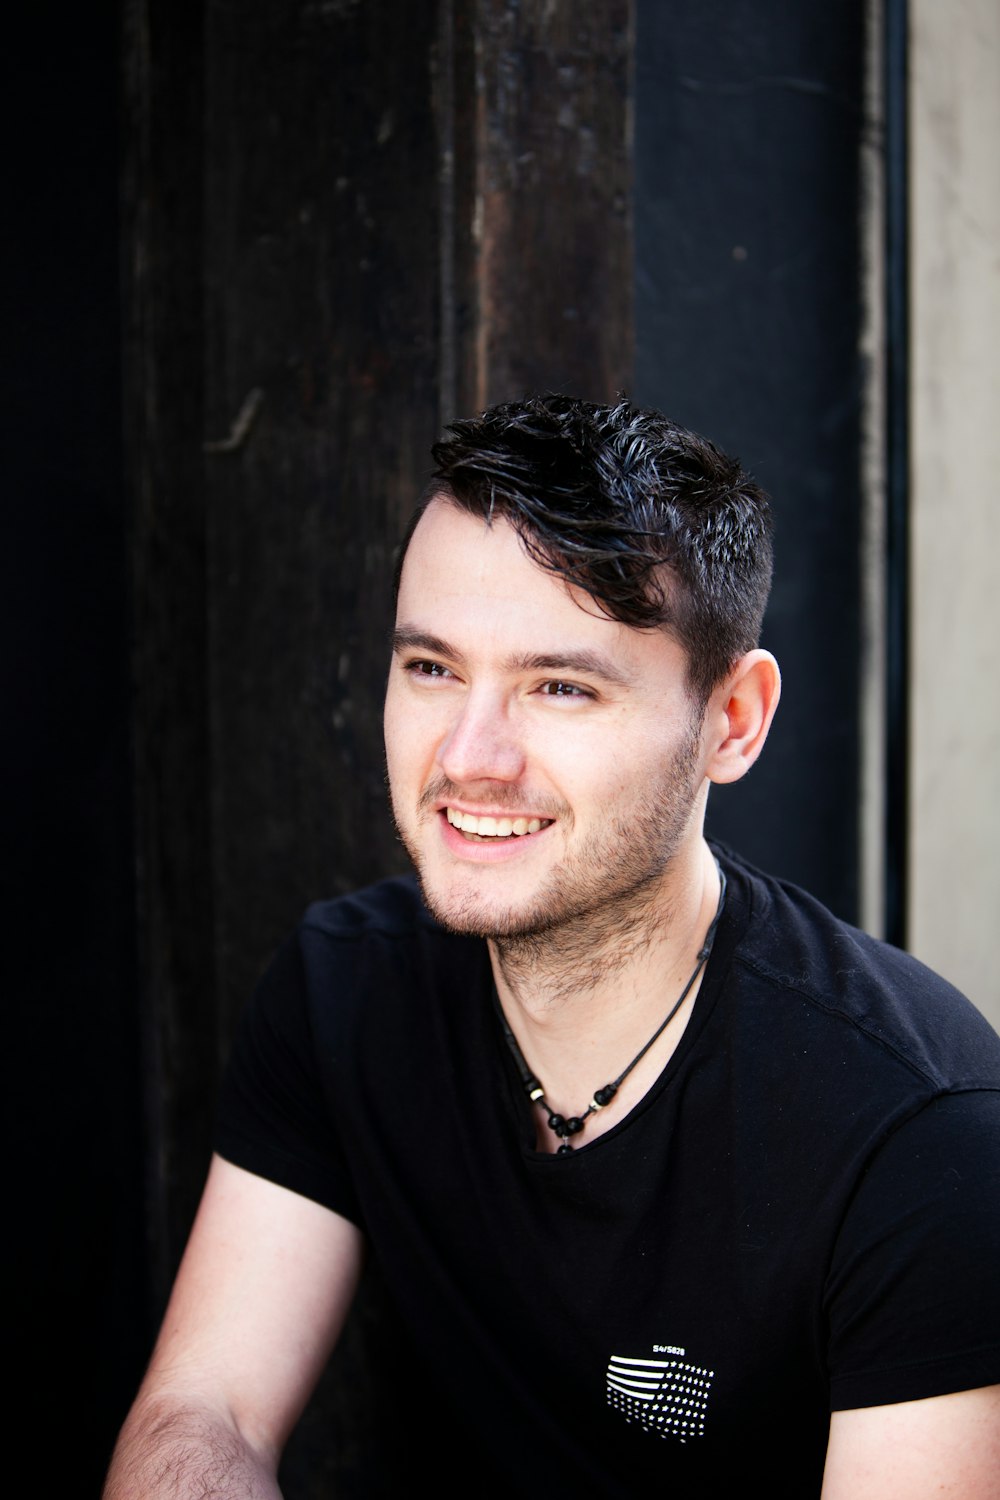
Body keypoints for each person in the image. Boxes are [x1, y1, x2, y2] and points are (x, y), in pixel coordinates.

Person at [104, 395, 1000, 1498]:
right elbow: (207, 1413)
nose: (470, 757)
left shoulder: (918, 1134)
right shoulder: (345, 990)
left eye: (559, 688)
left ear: (733, 722)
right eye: (431, 669)